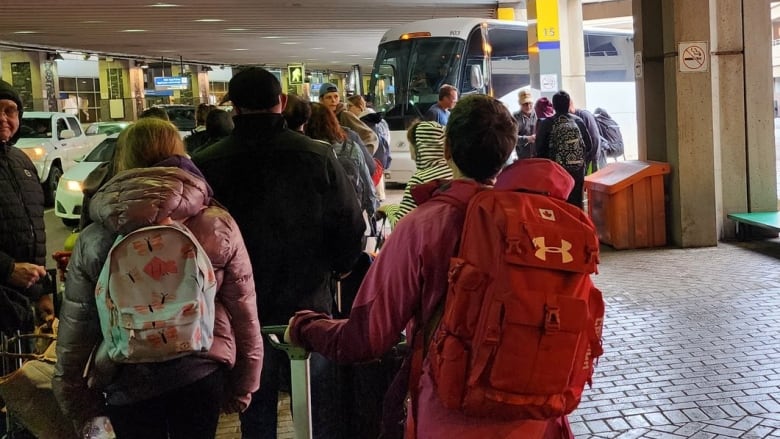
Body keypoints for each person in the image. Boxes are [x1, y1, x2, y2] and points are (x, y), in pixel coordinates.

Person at [286, 94, 574, 438]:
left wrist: (305, 327)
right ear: (508, 151)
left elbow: (367, 337)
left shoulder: (424, 225)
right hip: (538, 417)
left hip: (450, 415)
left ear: (448, 149)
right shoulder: (541, 222)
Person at [53, 117, 264, 439]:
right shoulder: (216, 224)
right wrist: (245, 384)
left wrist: (75, 397)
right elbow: (244, 309)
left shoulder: (96, 235)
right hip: (201, 370)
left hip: (125, 375)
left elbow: (78, 324)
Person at [192, 67, 365, 439]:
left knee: (255, 404)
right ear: (282, 103)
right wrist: (338, 268)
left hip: (240, 308)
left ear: (234, 109)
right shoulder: (318, 155)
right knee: (317, 402)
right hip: (310, 301)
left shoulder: (208, 163)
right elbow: (350, 224)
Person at [0, 79, 53, 335]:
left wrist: (41, 292)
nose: (3, 118)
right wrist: (8, 269)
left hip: (18, 309)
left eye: (9, 111)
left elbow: (35, 231)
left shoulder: (21, 160)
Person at [306, 102, 379, 219]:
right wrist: (372, 211)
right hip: (348, 212)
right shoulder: (349, 145)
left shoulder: (302, 150)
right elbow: (368, 174)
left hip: (313, 217)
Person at [377, 120, 452, 228]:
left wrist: (389, 208)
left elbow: (400, 224)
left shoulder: (420, 181)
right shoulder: (453, 172)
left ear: (420, 147)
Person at [535, 90, 592, 208]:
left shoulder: (547, 123)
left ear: (554, 106)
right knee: (576, 204)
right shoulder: (578, 121)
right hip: (577, 172)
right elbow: (589, 145)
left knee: (559, 205)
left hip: (556, 172)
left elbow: (539, 149)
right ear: (568, 104)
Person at [318, 82, 379, 156]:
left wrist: (362, 157)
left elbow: (370, 137)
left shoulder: (344, 115)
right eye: (329, 97)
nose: (333, 100)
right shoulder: (318, 116)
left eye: (336, 96)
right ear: (321, 100)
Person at [513, 89, 537, 159]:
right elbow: (513, 138)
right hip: (523, 157)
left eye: (530, 103)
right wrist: (527, 139)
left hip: (538, 156)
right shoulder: (515, 117)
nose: (528, 106)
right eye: (525, 104)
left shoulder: (538, 115)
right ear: (520, 104)